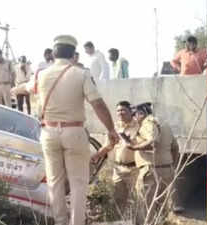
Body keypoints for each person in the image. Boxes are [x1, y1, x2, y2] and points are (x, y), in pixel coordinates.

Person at [12, 35, 119, 225]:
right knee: (78, 183)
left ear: (54, 53)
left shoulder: (41, 74)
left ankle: (60, 222)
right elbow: (98, 105)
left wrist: (13, 90)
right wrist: (111, 129)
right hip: (74, 133)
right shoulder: (81, 74)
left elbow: (25, 89)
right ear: (73, 54)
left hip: (49, 133)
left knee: (55, 182)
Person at [127, 103, 179, 225]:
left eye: (135, 115)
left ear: (141, 114)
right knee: (162, 208)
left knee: (146, 209)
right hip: (166, 171)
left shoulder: (147, 123)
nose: (134, 118)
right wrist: (172, 165)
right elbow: (175, 148)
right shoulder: (165, 125)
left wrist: (135, 147)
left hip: (151, 172)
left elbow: (152, 142)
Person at [91, 101, 139, 211]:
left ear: (130, 111)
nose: (120, 113)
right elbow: (108, 146)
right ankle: (121, 220)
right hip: (119, 170)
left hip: (135, 170)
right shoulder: (114, 128)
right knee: (119, 200)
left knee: (138, 200)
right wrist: (96, 156)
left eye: (123, 110)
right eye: (118, 110)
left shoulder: (138, 126)